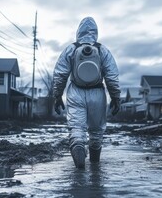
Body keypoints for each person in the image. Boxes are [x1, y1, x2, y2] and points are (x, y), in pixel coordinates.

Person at [52, 16, 121, 169]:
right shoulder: (103, 50)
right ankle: (95, 169)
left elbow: (60, 75)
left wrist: (57, 96)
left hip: (75, 92)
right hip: (97, 93)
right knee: (96, 132)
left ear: (78, 32)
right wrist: (116, 98)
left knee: (77, 129)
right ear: (96, 32)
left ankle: (80, 170)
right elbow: (111, 77)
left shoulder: (71, 49)